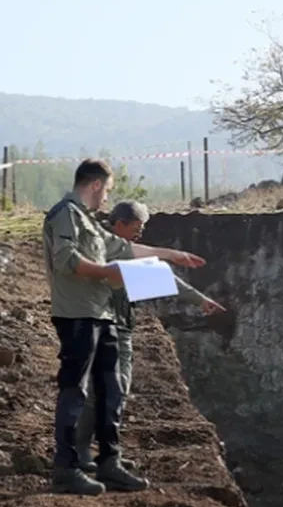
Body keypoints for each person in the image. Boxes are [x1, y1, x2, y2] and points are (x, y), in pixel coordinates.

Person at [42, 159, 206, 496]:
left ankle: (109, 461)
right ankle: (67, 468)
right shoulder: (65, 214)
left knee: (111, 388)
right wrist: (107, 272)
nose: (106, 198)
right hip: (78, 314)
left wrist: (170, 254)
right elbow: (66, 260)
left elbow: (124, 248)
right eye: (107, 190)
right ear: (96, 184)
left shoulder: (87, 220)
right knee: (75, 391)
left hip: (101, 314)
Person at [76, 200, 226, 472]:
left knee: (116, 390)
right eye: (136, 228)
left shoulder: (121, 249)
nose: (140, 233)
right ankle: (83, 450)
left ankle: (104, 453)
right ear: (119, 224)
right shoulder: (98, 246)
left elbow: (159, 276)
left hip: (121, 327)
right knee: (105, 390)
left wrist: (199, 300)